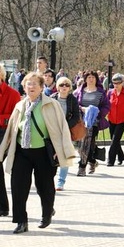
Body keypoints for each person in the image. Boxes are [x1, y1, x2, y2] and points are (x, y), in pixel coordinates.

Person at [0, 72, 75, 234]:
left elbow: (62, 129)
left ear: (42, 87)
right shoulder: (20, 106)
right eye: (28, 83)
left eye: (35, 83)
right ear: (24, 87)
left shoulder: (51, 104)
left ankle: (47, 213)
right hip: (22, 151)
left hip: (44, 152)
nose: (31, 86)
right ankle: (21, 221)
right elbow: (12, 131)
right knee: (18, 187)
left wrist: (60, 150)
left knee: (44, 187)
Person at [74, 70, 110, 176]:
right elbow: (74, 105)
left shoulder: (100, 92)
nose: (91, 79)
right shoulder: (79, 92)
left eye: (93, 77)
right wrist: (82, 109)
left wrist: (98, 112)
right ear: (85, 79)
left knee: (88, 144)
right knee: (80, 146)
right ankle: (92, 161)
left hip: (94, 122)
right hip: (80, 122)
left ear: (96, 79)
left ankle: (82, 167)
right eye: (89, 77)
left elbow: (106, 106)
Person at [50, 77, 81, 190]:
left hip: (66, 131)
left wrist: (66, 126)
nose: (64, 87)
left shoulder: (72, 99)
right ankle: (49, 179)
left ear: (69, 87)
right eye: (62, 85)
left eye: (67, 85)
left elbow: (76, 116)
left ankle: (61, 182)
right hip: (52, 130)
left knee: (65, 156)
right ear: (57, 87)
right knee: (50, 155)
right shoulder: (52, 98)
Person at [0, 63, 21, 216]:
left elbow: (17, 117)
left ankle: (3, 206)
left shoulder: (12, 94)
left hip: (4, 134)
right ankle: (3, 206)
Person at [106, 73, 124, 167]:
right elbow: (106, 105)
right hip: (111, 119)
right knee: (114, 139)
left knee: (114, 140)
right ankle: (121, 156)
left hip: (123, 119)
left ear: (122, 83)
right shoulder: (110, 93)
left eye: (118, 83)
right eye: (114, 83)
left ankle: (110, 160)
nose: (116, 85)